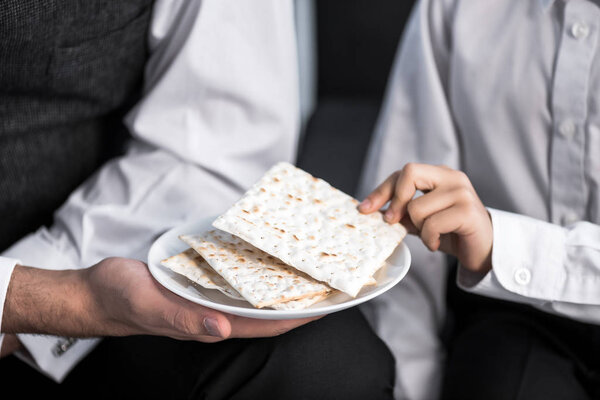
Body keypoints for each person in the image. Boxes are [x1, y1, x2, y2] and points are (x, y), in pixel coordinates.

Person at [0, 1, 395, 398]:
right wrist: (63, 300)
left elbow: (213, 141)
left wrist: (69, 284)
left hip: (92, 245)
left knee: (323, 363)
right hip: (77, 292)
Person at [357, 0, 600, 399]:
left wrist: (502, 246)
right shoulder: (451, 8)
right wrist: (408, 387)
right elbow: (400, 238)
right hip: (508, 321)